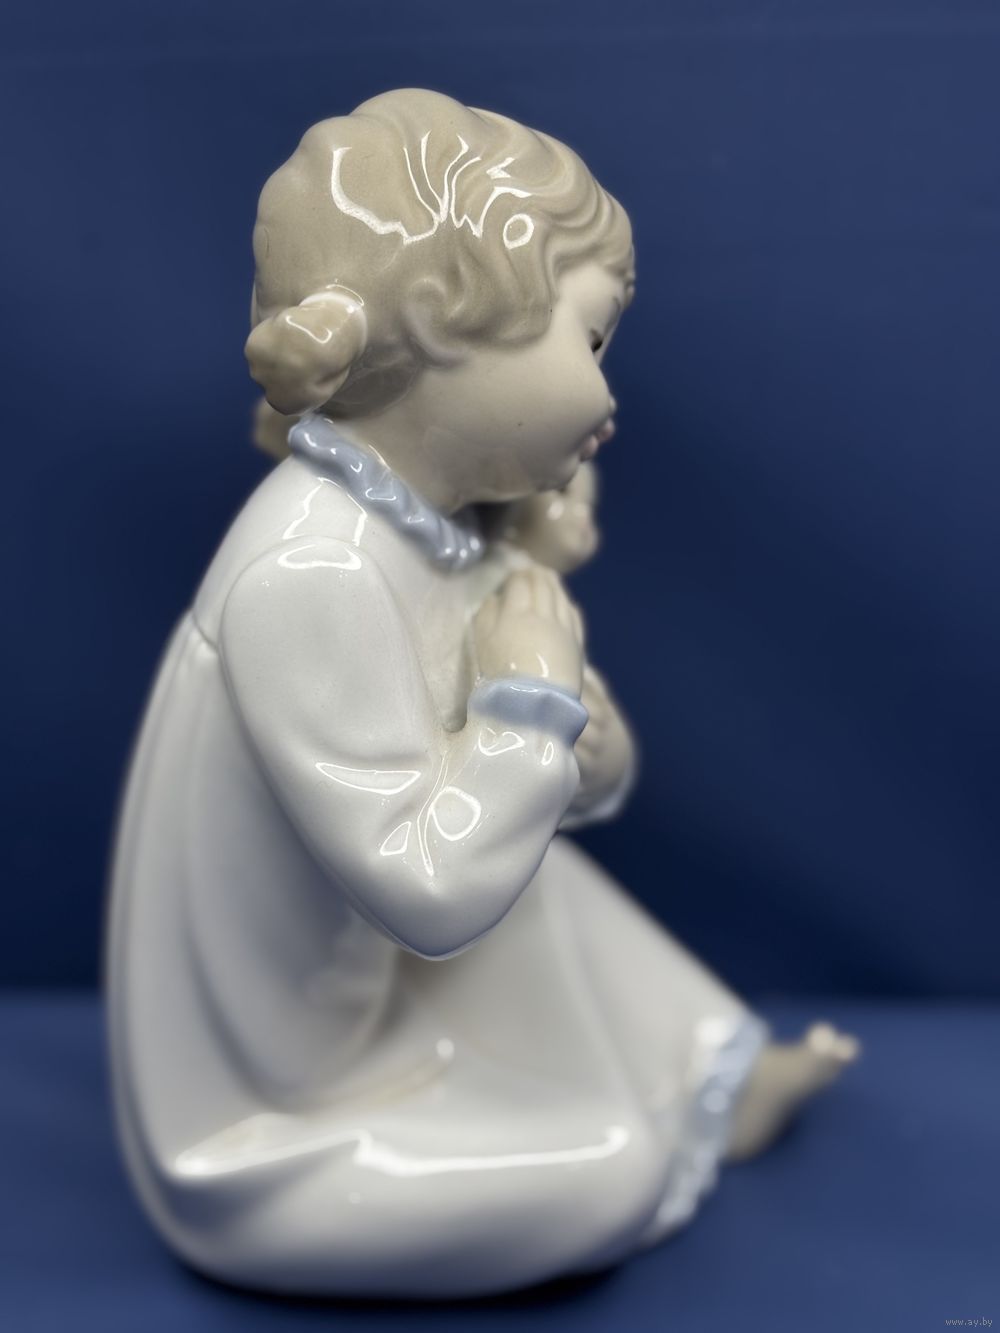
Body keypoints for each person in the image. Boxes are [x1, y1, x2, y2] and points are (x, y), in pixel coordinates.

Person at [107, 89, 857, 1300]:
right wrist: (528, 712)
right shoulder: (312, 574)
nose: (609, 399)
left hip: (378, 1001)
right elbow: (432, 889)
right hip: (268, 1123)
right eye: (591, 343)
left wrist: (566, 732)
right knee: (609, 1169)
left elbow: (560, 790)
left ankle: (704, 1072)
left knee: (536, 866)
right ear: (443, 328)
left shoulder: (430, 538)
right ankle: (638, 1119)